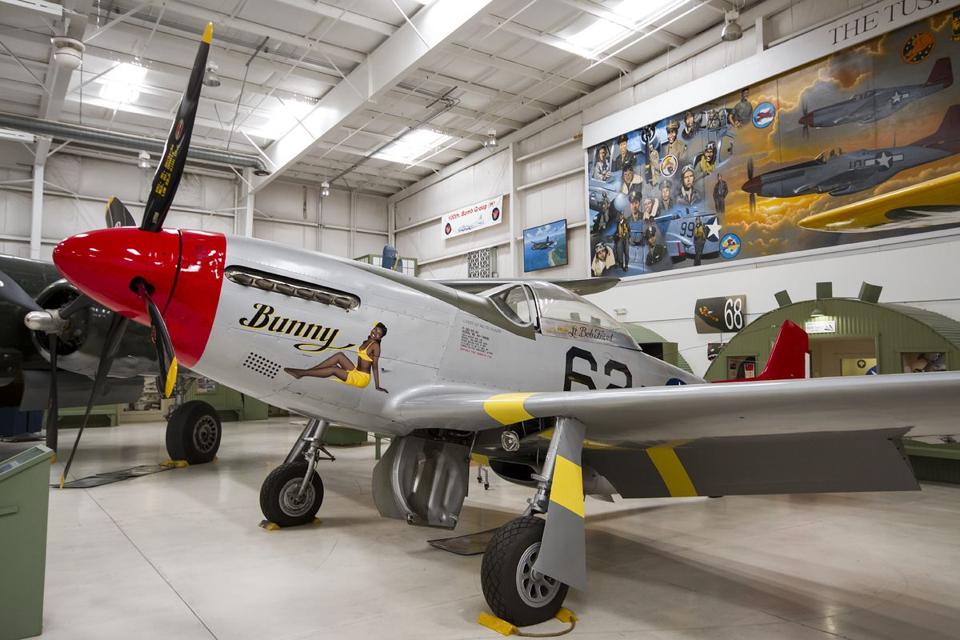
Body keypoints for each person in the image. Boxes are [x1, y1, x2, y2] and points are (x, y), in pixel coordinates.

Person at [285, 323, 389, 393]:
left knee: (334, 369)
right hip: (356, 372)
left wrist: (377, 386)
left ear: (381, 337)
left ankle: (302, 373)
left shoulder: (376, 346)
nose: (375, 333)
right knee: (339, 355)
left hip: (361, 378)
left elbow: (375, 366)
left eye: (378, 334)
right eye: (375, 330)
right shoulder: (366, 341)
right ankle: (307, 371)